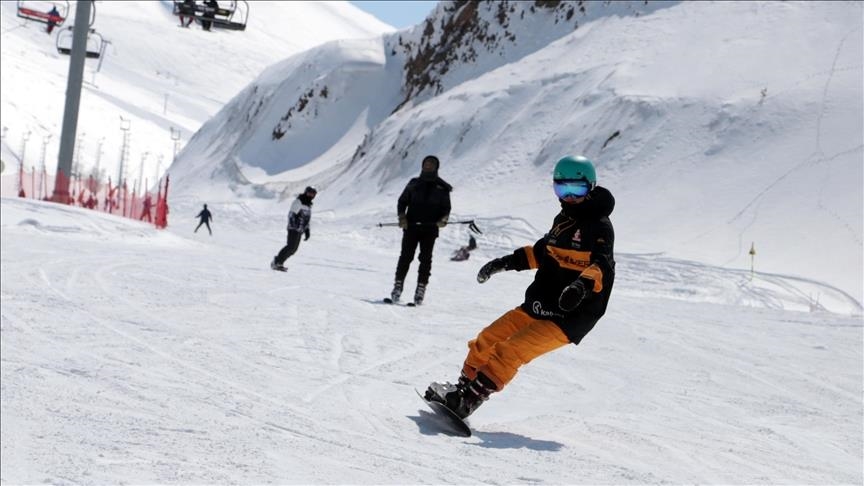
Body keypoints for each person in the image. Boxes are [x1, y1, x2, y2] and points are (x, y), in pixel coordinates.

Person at [424, 155, 616, 420]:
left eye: (577, 189)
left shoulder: (600, 226)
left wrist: (580, 287)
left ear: (591, 188)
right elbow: (542, 252)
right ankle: (460, 390)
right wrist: (502, 263)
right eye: (563, 189)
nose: (569, 196)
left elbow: (602, 267)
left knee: (512, 350)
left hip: (571, 315)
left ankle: (469, 401)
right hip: (541, 303)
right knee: (487, 339)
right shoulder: (563, 220)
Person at [388, 155, 451, 305]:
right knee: (405, 257)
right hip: (411, 227)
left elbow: (446, 208)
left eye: (431, 164)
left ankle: (420, 289)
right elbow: (402, 201)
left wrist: (443, 219)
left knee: (425, 259)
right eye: (425, 163)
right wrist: (402, 217)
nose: (427, 166)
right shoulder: (414, 183)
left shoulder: (442, 188)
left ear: (436, 167)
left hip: (430, 229)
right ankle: (398, 286)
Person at [271, 186, 316, 271]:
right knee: (290, 246)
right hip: (293, 228)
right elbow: (291, 215)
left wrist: (307, 230)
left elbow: (306, 219)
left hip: (300, 230)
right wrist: (294, 226)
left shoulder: (308, 205)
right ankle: (276, 261)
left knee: (293, 249)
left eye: (313, 193)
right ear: (306, 192)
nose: (311, 195)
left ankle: (279, 263)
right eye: (309, 193)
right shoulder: (299, 201)